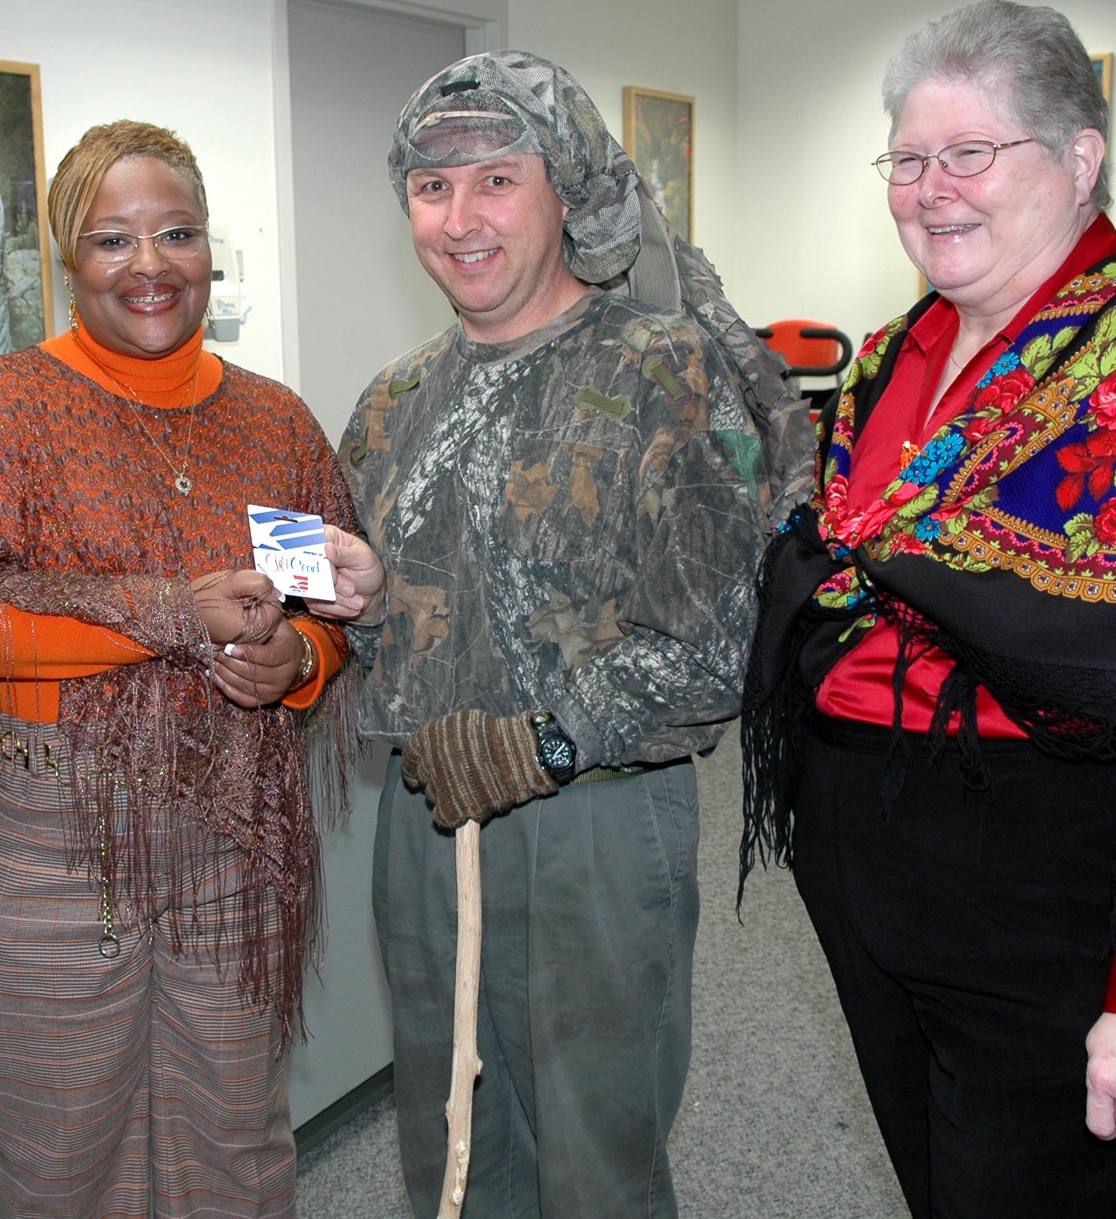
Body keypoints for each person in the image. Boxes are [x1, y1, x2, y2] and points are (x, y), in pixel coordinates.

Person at [739, 3, 1116, 1216]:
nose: (928, 190)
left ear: (1077, 160)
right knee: (950, 1180)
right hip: (884, 864)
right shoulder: (894, 356)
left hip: (1057, 875)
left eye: (970, 153)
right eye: (906, 160)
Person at [340, 53, 810, 1216]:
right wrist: (344, 609)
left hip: (591, 822)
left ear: (568, 190)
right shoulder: (393, 400)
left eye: (497, 180)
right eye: (431, 189)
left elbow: (717, 642)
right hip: (422, 817)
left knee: (593, 1154)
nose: (460, 220)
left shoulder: (663, 368)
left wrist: (542, 743)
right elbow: (390, 616)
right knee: (447, 1141)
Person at [0, 120, 377, 1218]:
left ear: (210, 249)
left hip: (232, 822)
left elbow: (322, 605)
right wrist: (168, 615)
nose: (149, 265)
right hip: (50, 835)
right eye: (113, 240)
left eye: (177, 234)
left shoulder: (272, 422)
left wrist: (295, 660)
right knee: (65, 1149)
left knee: (234, 1135)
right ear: (69, 257)